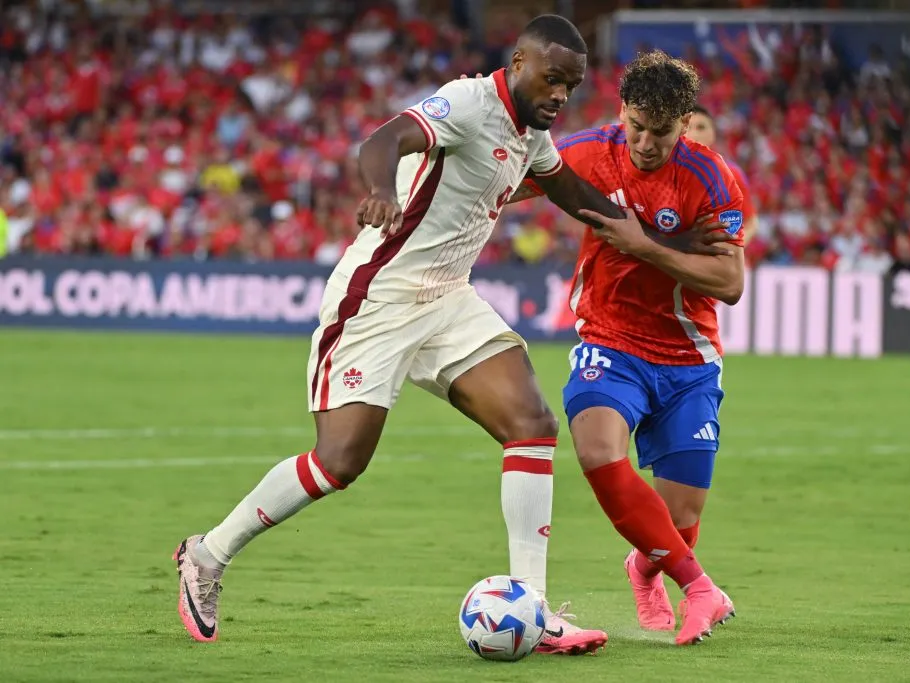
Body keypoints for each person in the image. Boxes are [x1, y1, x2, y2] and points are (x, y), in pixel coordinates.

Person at [171, 14, 705, 655]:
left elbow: (578, 194)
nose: (561, 95)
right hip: (380, 296)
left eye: (571, 85)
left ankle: (530, 610)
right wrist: (379, 190)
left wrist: (668, 242)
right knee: (340, 462)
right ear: (517, 62)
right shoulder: (468, 102)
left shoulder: (531, 134)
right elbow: (386, 138)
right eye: (551, 79)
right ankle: (207, 554)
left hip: (447, 299)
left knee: (532, 423)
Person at [511, 50, 744, 645]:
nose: (644, 143)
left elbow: (730, 283)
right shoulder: (590, 151)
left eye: (660, 133)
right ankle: (699, 589)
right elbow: (505, 183)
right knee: (594, 449)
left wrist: (646, 246)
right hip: (610, 341)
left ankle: (645, 570)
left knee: (679, 523)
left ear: (683, 122)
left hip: (688, 360)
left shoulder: (710, 179)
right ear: (622, 111)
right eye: (636, 126)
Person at [685, 105, 759, 241]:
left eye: (701, 127)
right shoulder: (664, 171)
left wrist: (734, 248)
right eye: (688, 127)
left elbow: (751, 222)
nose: (694, 134)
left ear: (713, 134)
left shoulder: (731, 173)